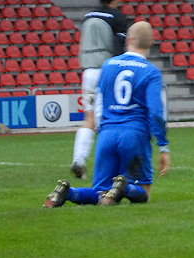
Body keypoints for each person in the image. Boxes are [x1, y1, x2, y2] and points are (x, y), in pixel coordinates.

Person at [44, 21, 170, 207]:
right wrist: (163, 146)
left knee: (101, 193)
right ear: (151, 43)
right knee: (142, 192)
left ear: (128, 39)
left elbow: (99, 102)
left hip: (107, 133)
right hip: (134, 134)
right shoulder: (151, 72)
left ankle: (68, 193)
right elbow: (155, 112)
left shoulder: (108, 65)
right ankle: (124, 188)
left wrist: (103, 128)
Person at [70, 0, 132, 179]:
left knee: (89, 118)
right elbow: (119, 48)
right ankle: (111, 163)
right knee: (109, 119)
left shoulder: (88, 17)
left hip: (88, 72)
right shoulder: (117, 17)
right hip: (107, 71)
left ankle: (79, 159)